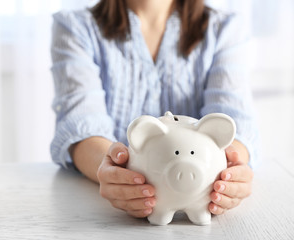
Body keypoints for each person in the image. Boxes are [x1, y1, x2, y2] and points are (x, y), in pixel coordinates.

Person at [50, 0, 256, 219]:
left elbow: (233, 121)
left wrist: (230, 173)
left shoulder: (225, 28)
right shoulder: (75, 27)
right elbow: (81, 125)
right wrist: (113, 171)